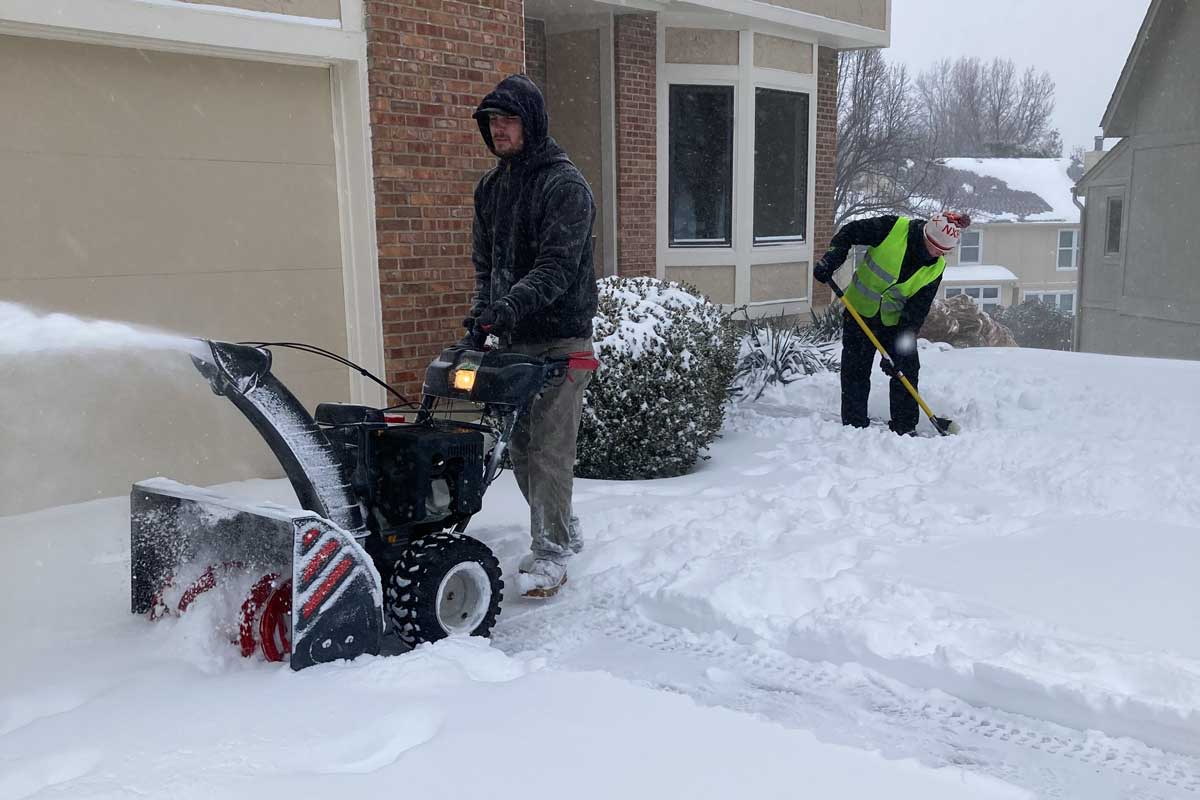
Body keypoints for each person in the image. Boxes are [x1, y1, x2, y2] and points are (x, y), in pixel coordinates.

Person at [459, 74, 598, 599]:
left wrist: (508, 306)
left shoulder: (564, 186)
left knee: (550, 449)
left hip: (563, 342)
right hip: (514, 342)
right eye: (492, 121)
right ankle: (558, 522)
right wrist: (481, 316)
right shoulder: (492, 188)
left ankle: (553, 553)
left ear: (532, 123)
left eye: (508, 120)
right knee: (519, 449)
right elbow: (485, 266)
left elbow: (557, 268)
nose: (498, 130)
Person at [812, 211, 971, 435]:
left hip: (894, 322)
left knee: (906, 368)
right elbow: (848, 233)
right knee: (856, 368)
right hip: (861, 310)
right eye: (934, 246)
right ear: (925, 233)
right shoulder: (892, 228)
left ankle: (905, 428)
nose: (936, 254)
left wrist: (899, 348)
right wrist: (832, 259)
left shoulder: (936, 268)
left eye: (943, 251)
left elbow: (917, 311)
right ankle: (854, 425)